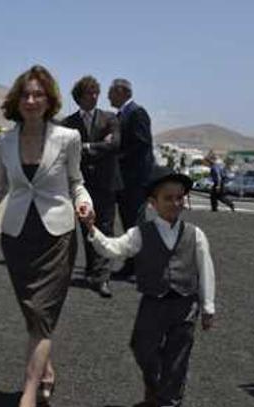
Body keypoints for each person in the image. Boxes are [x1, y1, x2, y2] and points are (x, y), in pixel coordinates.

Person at [0, 65, 93, 407]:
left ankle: (29, 393)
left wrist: (84, 204)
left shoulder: (68, 138)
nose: (32, 100)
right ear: (16, 100)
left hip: (57, 236)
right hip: (18, 237)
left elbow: (77, 182)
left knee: (43, 313)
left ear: (49, 100)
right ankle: (46, 370)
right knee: (33, 314)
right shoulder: (3, 142)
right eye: (26, 94)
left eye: (39, 94)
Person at [82, 166, 216, 407]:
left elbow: (206, 271)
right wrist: (92, 230)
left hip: (185, 305)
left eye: (179, 198)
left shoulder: (195, 235)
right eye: (168, 198)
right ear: (153, 202)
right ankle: (156, 387)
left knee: (178, 357)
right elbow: (113, 248)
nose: (175, 203)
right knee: (142, 347)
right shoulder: (140, 233)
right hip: (153, 303)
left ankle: (168, 400)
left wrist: (208, 307)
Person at [61, 75, 122, 298]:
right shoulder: (67, 124)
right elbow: (67, 151)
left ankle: (102, 278)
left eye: (96, 92)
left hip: (106, 184)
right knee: (87, 226)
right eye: (89, 93)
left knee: (105, 228)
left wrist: (84, 147)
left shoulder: (110, 119)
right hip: (81, 185)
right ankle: (91, 270)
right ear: (79, 97)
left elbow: (114, 144)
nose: (94, 96)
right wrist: (97, 146)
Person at [108, 78, 154, 279]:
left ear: (122, 92)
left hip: (135, 180)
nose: (108, 96)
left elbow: (141, 144)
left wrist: (116, 157)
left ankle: (136, 266)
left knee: (134, 222)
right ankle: (135, 264)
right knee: (129, 222)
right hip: (125, 180)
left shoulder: (137, 113)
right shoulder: (122, 115)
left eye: (111, 92)